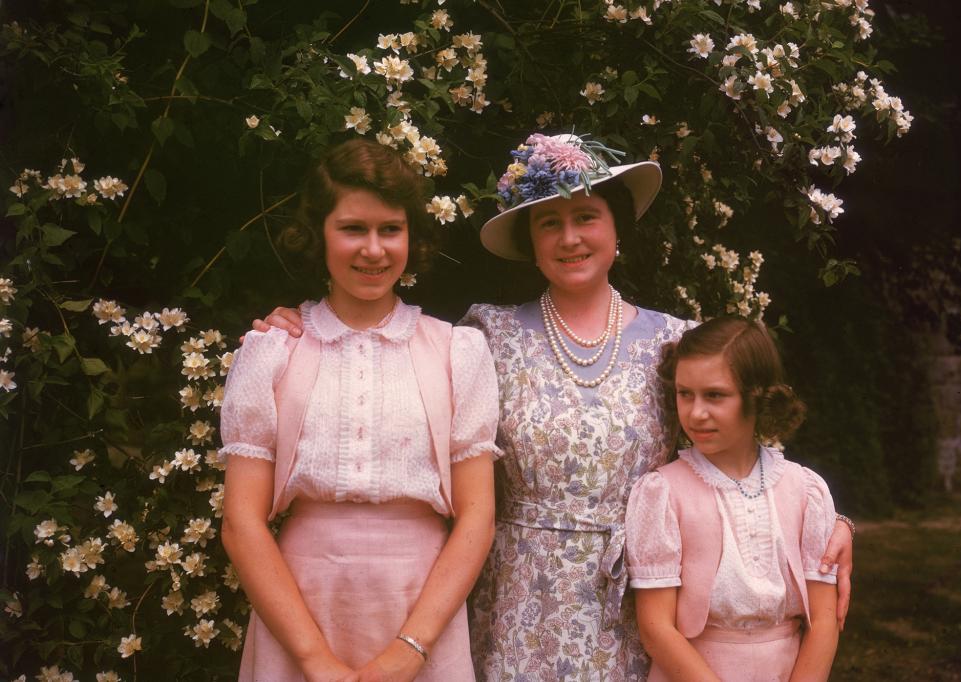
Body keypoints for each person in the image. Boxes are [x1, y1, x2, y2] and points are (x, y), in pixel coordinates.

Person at [252, 132, 854, 681]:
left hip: (644, 599)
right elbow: (391, 377)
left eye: (586, 217)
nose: (570, 239)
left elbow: (745, 460)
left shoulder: (677, 341)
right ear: (529, 243)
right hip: (516, 600)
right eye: (549, 224)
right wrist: (297, 328)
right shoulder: (485, 336)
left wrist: (834, 527)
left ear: (617, 228)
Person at [219, 139, 498, 682]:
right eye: (352, 228)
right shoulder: (274, 351)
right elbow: (241, 522)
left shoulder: (456, 352)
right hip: (300, 606)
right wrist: (314, 660)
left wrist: (408, 652)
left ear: (410, 237)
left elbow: (477, 516)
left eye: (390, 229)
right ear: (318, 235)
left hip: (420, 607)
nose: (373, 249)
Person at [625, 316, 840, 682]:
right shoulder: (664, 492)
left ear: (758, 396)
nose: (696, 413)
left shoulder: (804, 490)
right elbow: (656, 628)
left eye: (715, 395)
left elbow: (823, 621)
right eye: (685, 394)